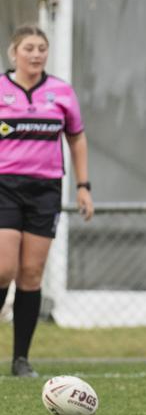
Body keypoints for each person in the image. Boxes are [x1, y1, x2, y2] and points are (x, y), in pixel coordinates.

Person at [0, 24, 93, 377]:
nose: (36, 54)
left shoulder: (61, 92)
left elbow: (77, 139)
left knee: (31, 273)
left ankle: (20, 359)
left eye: (41, 48)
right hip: (4, 186)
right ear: (14, 53)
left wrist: (83, 185)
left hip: (45, 189)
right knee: (4, 268)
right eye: (29, 48)